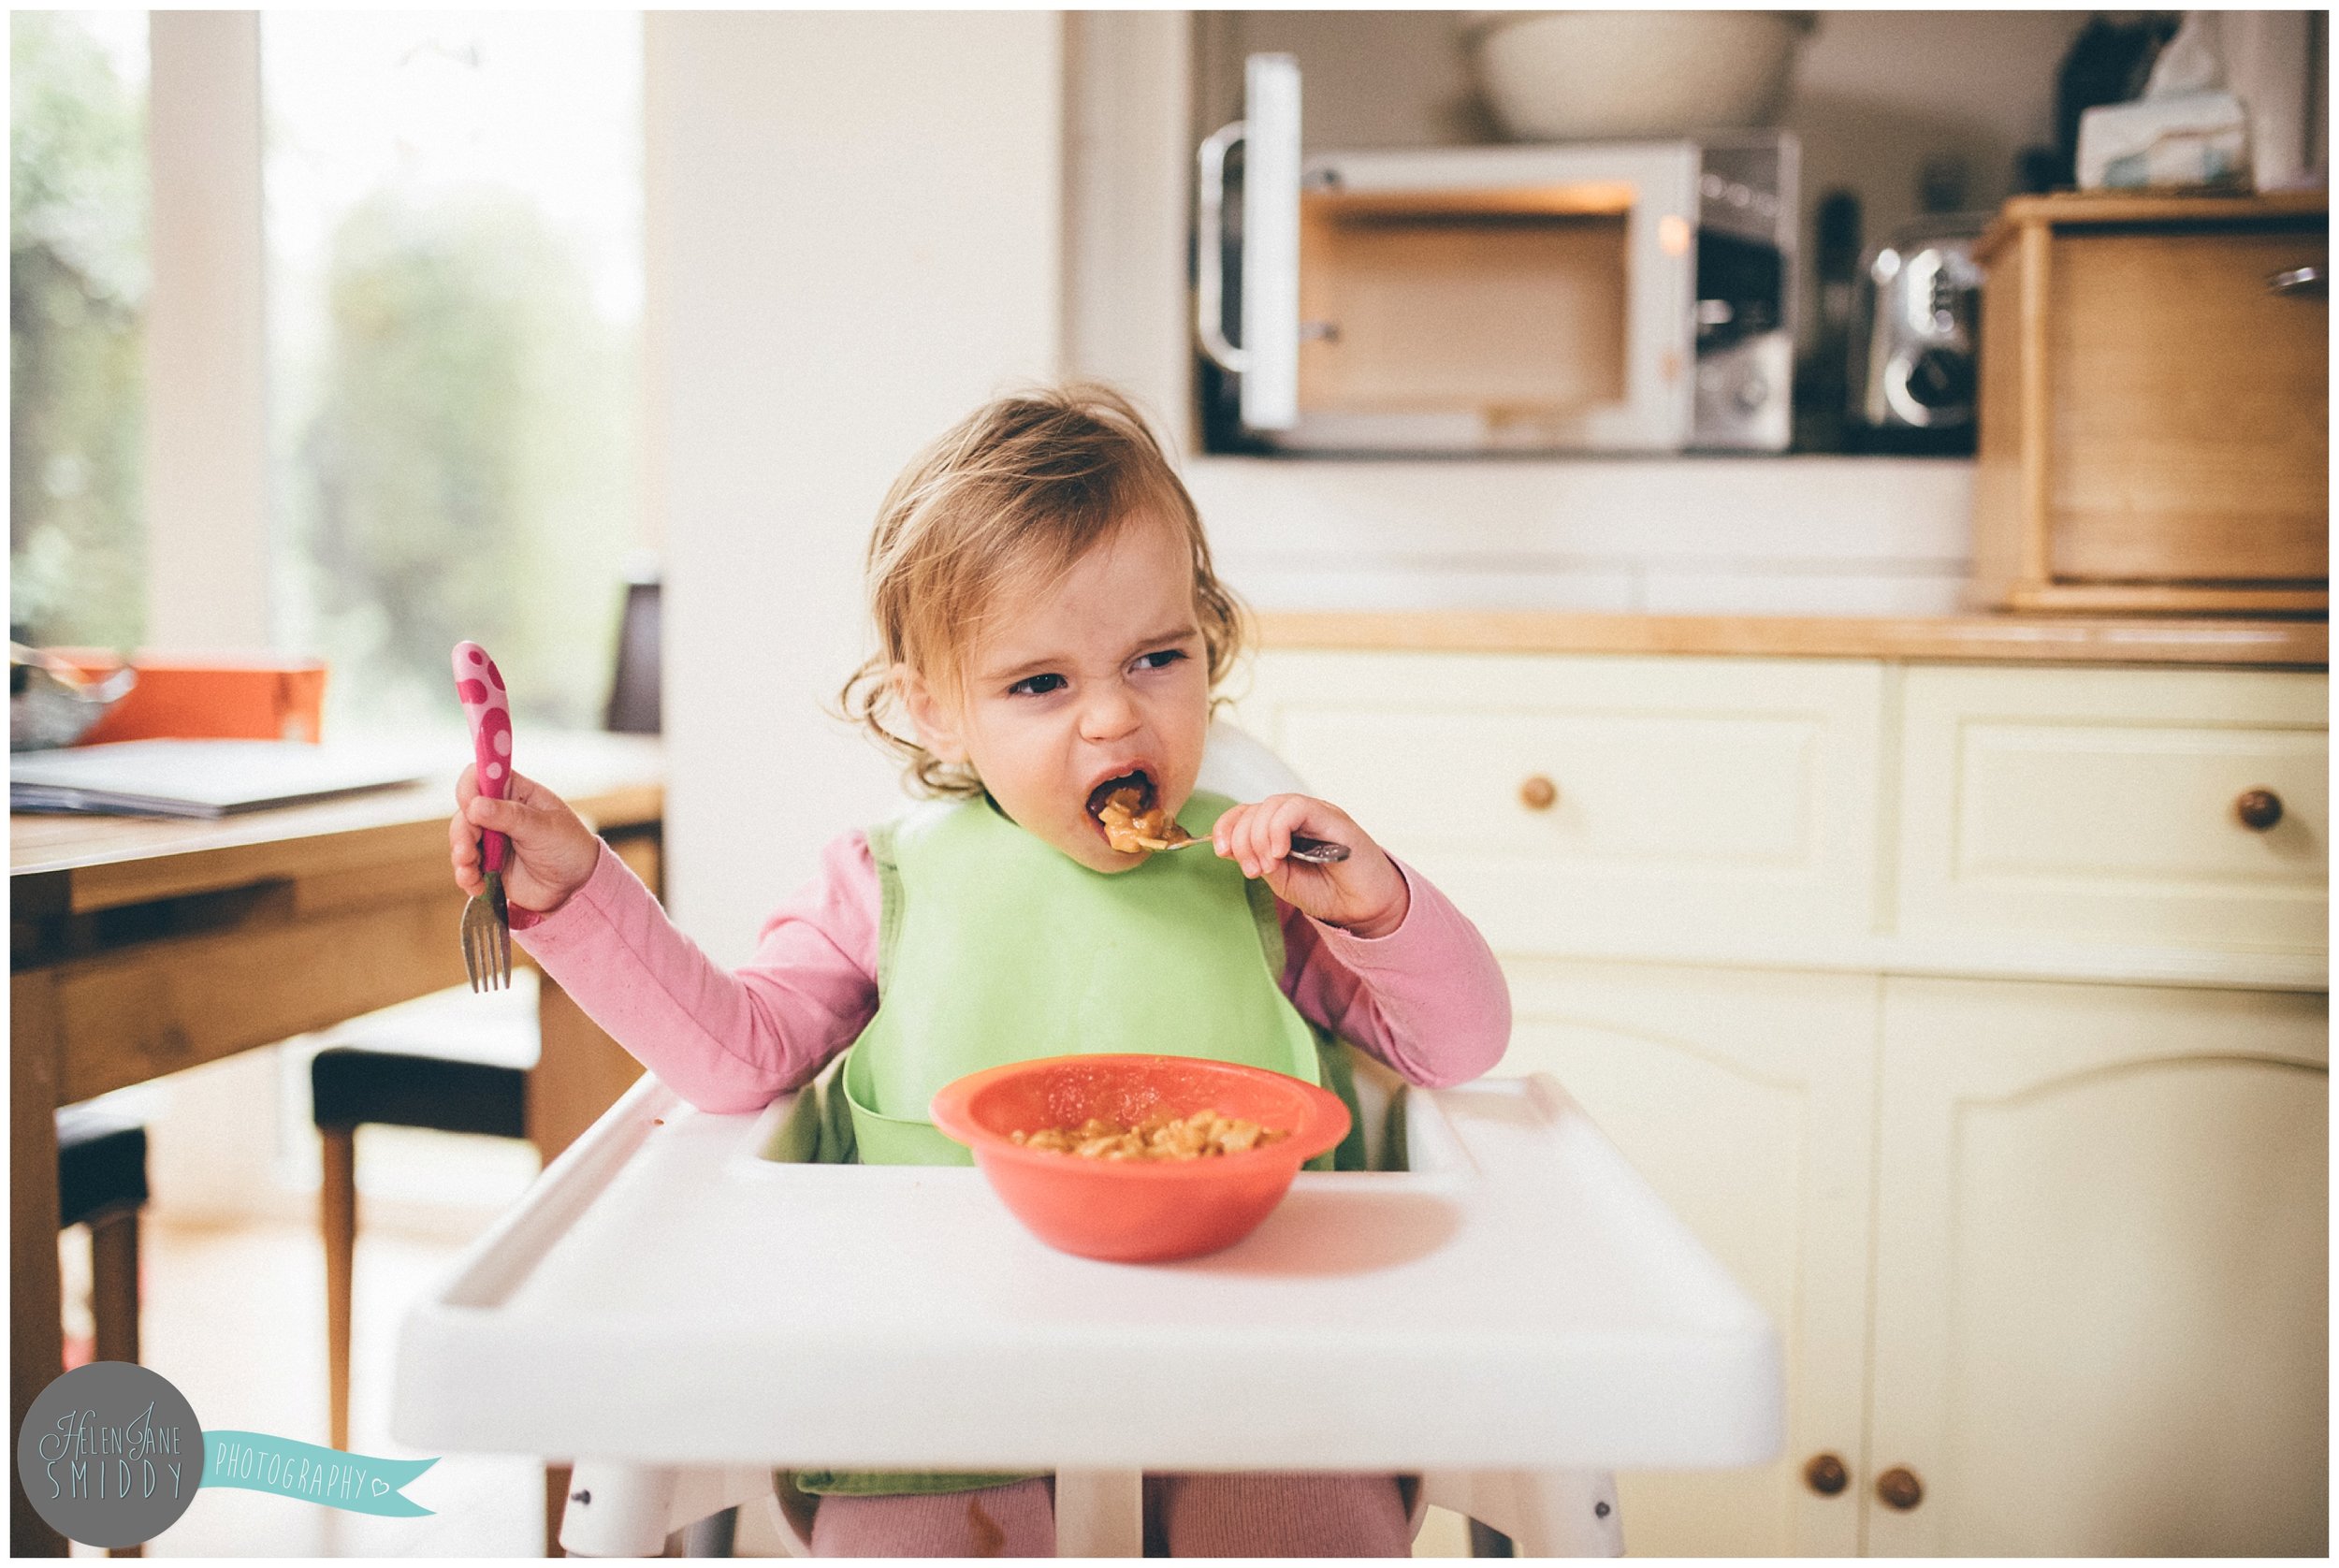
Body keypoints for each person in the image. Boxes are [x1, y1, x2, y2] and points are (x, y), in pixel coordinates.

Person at [447, 384, 1511, 1557]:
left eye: (1156, 656)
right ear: (936, 709)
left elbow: (1454, 1047)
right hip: (932, 1382)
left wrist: (1378, 901)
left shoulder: (1264, 874)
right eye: (1040, 683)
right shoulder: (882, 881)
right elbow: (736, 1058)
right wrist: (569, 887)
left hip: (1253, 1378)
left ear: (1207, 644)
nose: (1113, 718)